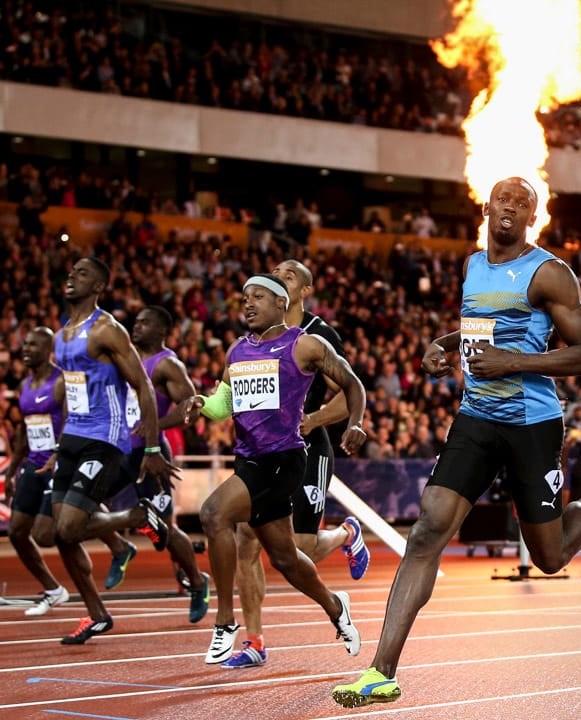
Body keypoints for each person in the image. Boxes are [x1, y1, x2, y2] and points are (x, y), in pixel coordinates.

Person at [331, 176, 581, 707]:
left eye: (522, 203)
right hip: (476, 418)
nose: (510, 208)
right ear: (486, 207)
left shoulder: (549, 273)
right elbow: (479, 330)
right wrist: (444, 347)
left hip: (532, 424)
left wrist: (515, 362)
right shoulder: (472, 264)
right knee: (426, 532)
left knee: (550, 557)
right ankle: (382, 672)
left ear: (533, 217)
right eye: (503, 199)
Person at [174, 273, 368, 666]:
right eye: (244, 297)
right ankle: (336, 608)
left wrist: (355, 423)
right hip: (248, 457)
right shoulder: (236, 351)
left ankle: (226, 622)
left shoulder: (305, 344)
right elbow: (222, 406)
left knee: (214, 513)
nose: (248, 304)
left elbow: (353, 384)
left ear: (281, 303)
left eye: (258, 297)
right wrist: (200, 402)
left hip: (283, 459)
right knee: (286, 558)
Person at [50, 257, 175, 645]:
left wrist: (153, 445)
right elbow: (74, 392)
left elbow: (144, 387)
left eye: (82, 274)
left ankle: (138, 515)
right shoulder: (62, 335)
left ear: (100, 287)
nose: (72, 277)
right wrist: (59, 445)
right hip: (72, 437)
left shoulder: (107, 330)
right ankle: (97, 615)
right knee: (58, 535)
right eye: (71, 272)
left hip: (105, 438)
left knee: (70, 526)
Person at [4, 326, 135, 616]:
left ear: (48, 349)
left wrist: (63, 452)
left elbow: (76, 417)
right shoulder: (25, 385)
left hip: (59, 458)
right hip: (33, 463)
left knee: (49, 534)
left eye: (33, 345)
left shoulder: (61, 380)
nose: (26, 349)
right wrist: (11, 470)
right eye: (24, 344)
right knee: (16, 531)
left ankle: (116, 542)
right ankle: (53, 589)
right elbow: (24, 432)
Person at [117, 305, 211, 622]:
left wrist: (155, 426)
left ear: (160, 331)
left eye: (144, 323)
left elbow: (192, 409)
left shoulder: (167, 364)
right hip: (117, 451)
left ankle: (198, 583)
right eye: (136, 321)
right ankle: (120, 547)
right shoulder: (125, 358)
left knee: (165, 532)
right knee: (80, 507)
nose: (136, 326)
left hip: (150, 455)